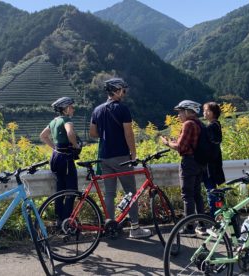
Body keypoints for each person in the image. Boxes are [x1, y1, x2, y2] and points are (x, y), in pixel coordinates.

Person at [89, 77, 151, 239]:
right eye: (123, 90)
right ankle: (135, 228)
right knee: (130, 191)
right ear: (116, 91)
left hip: (104, 157)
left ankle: (110, 226)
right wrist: (133, 153)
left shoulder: (97, 110)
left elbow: (93, 133)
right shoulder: (122, 109)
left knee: (109, 193)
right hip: (122, 156)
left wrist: (106, 134)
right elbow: (128, 133)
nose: (124, 93)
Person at [161, 100, 205, 235]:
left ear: (187, 111)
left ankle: (189, 227)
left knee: (187, 195)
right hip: (200, 162)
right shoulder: (199, 124)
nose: (178, 115)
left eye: (180, 112)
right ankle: (202, 225)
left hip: (189, 163)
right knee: (197, 194)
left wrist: (168, 143)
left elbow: (181, 147)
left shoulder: (188, 124)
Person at [40, 97, 80, 227]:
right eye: (72, 106)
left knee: (60, 189)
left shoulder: (53, 122)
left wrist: (54, 147)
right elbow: (70, 133)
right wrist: (75, 146)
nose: (73, 109)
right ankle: (67, 220)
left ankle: (59, 219)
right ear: (66, 108)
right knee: (72, 190)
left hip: (55, 157)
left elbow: (43, 136)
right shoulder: (67, 120)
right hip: (66, 159)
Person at [202, 102, 226, 217]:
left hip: (209, 164)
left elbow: (207, 145)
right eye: (204, 110)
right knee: (213, 190)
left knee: (210, 190)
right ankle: (220, 214)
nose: (204, 113)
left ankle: (214, 216)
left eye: (207, 111)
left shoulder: (211, 127)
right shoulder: (217, 125)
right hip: (215, 162)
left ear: (214, 113)